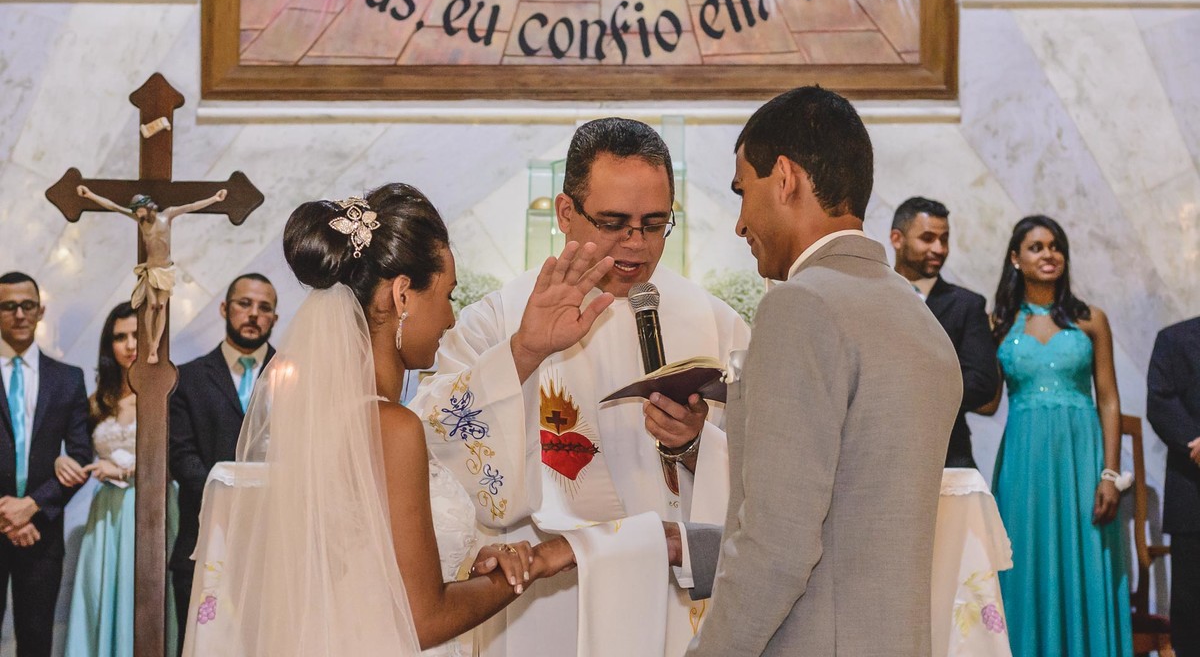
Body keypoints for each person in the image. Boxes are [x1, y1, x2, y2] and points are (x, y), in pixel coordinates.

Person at [182, 186, 575, 655]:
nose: (451, 318)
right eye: (447, 295)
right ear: (403, 294)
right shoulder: (392, 427)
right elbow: (421, 620)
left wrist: (474, 576)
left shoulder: (323, 417)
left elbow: (373, 584)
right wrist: (535, 563)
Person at [411, 118, 750, 657]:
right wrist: (523, 353)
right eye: (615, 222)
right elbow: (426, 447)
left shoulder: (716, 325)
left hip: (669, 600)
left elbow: (770, 477)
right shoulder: (497, 321)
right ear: (566, 213)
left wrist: (695, 446)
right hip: (543, 604)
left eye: (656, 223)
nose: (636, 245)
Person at [682, 86, 961, 656]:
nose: (739, 223)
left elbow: (776, 545)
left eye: (743, 192)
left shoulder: (802, 305)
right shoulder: (916, 314)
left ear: (784, 178)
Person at [989, 215, 1132, 657]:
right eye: (1036, 246)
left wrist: (1108, 473)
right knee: (1025, 563)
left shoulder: (1090, 320)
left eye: (1055, 246)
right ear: (1016, 258)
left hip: (1081, 458)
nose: (1049, 254)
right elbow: (986, 399)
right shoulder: (999, 323)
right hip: (1023, 462)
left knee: (1085, 561)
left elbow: (1108, 400)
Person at [57, 302, 179, 655]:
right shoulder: (99, 401)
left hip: (156, 505)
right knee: (103, 590)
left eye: (136, 335)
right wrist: (60, 463)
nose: (129, 345)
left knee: (150, 591)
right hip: (108, 512)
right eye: (119, 337)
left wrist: (126, 469)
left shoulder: (167, 394)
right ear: (108, 345)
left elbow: (177, 458)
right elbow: (76, 450)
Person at [167, 273, 278, 648]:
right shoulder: (188, 378)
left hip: (275, 541)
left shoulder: (296, 375)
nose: (253, 314)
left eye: (265, 308)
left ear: (275, 319)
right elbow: (181, 456)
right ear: (224, 309)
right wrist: (231, 498)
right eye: (244, 304)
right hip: (204, 537)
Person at [0, 271, 90, 656]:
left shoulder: (68, 378)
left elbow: (82, 456)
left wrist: (31, 506)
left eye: (28, 305)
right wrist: (5, 513)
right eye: (8, 306)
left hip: (42, 529)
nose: (20, 313)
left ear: (40, 311)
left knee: (36, 640)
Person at [889, 196, 1000, 468]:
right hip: (878, 450)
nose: (939, 248)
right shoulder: (870, 296)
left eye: (944, 239)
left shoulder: (967, 305)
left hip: (947, 452)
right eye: (927, 238)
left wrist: (910, 386)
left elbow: (982, 383)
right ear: (896, 239)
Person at [76, 185, 227, 364]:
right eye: (136, 212)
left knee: (161, 306)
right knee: (151, 305)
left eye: (140, 210)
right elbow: (113, 206)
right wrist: (91, 195)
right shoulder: (140, 221)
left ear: (147, 206)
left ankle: (154, 346)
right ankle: (149, 343)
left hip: (165, 270)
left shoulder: (167, 215)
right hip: (150, 269)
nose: (138, 214)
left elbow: (191, 206)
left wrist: (214, 199)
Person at [1146, 314, 1200, 654]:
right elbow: (1161, 401)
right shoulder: (1175, 339)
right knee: (1190, 604)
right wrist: (1194, 441)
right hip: (1192, 490)